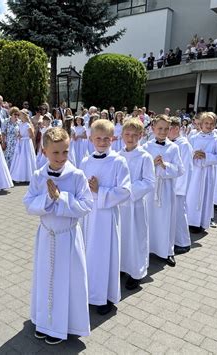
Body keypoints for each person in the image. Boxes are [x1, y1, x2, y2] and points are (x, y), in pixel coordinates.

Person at [23, 127, 93, 345]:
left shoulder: (77, 175)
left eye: (65, 152)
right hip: (47, 236)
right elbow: (28, 203)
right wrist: (47, 199)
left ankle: (62, 326)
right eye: (56, 153)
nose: (62, 158)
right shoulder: (38, 175)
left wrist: (61, 198)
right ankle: (43, 322)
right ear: (44, 152)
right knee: (45, 280)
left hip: (68, 237)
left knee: (65, 281)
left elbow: (86, 205)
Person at [80, 119, 131, 314]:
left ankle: (104, 297)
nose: (102, 142)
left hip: (106, 216)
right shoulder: (85, 161)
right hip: (88, 215)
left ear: (113, 138)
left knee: (104, 255)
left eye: (106, 139)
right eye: (98, 138)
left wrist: (100, 190)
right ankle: (87, 293)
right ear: (91, 138)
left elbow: (125, 190)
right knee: (87, 254)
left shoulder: (118, 161)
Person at [143, 115, 184, 267]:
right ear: (153, 128)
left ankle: (167, 250)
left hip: (166, 189)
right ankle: (146, 249)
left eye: (166, 129)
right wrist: (152, 164)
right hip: (150, 190)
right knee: (149, 219)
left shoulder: (173, 147)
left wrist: (165, 165)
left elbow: (180, 169)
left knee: (166, 220)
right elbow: (141, 170)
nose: (163, 131)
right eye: (160, 128)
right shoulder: (146, 147)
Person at [119, 119, 155, 290]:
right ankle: (121, 266)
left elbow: (149, 182)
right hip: (119, 205)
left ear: (141, 135)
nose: (130, 138)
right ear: (122, 135)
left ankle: (136, 272)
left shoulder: (145, 156)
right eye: (127, 134)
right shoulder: (117, 155)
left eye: (134, 135)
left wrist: (128, 191)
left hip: (135, 204)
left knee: (136, 238)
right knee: (122, 237)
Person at [186, 112, 217, 232]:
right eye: (206, 123)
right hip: (194, 171)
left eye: (211, 124)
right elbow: (187, 153)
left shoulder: (216, 140)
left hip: (207, 173)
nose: (208, 126)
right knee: (192, 196)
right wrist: (193, 154)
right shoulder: (193, 138)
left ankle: (200, 222)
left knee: (205, 196)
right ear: (200, 124)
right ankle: (190, 221)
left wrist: (206, 156)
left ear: (215, 125)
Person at [168, 117, 193, 254]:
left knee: (179, 214)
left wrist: (179, 189)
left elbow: (186, 169)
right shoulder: (170, 143)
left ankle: (183, 242)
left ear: (177, 129)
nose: (166, 132)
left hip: (178, 187)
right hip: (169, 186)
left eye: (169, 129)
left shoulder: (183, 145)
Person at [10, 109, 36, 183]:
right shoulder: (20, 124)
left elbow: (32, 136)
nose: (19, 116)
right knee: (20, 159)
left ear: (24, 116)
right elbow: (20, 133)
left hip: (26, 143)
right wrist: (19, 136)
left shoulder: (28, 125)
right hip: (21, 143)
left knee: (26, 158)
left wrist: (23, 137)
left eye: (20, 115)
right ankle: (19, 175)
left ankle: (28, 176)